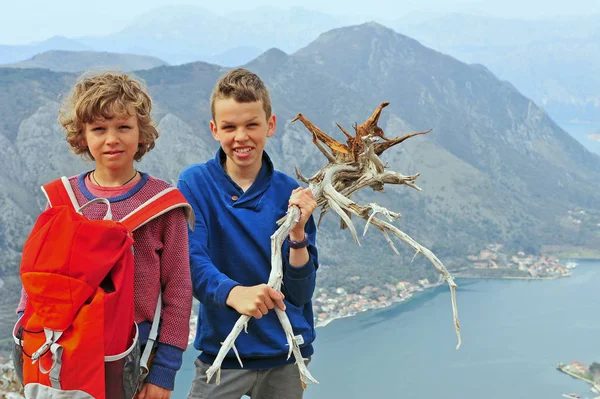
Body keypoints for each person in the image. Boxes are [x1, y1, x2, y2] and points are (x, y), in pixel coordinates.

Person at [16, 72, 192, 399]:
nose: (112, 138)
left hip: (129, 355)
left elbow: (179, 290)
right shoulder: (62, 200)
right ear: (82, 136)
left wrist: (164, 372)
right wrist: (27, 336)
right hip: (62, 350)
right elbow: (38, 278)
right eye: (99, 129)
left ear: (142, 134)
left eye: (123, 127)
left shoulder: (163, 206)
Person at [178, 67, 319, 399]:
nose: (240, 137)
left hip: (286, 356)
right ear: (214, 130)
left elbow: (300, 293)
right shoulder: (196, 183)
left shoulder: (290, 193)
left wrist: (298, 234)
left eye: (251, 125)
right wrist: (233, 293)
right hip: (224, 354)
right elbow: (190, 259)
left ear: (270, 125)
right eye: (229, 127)